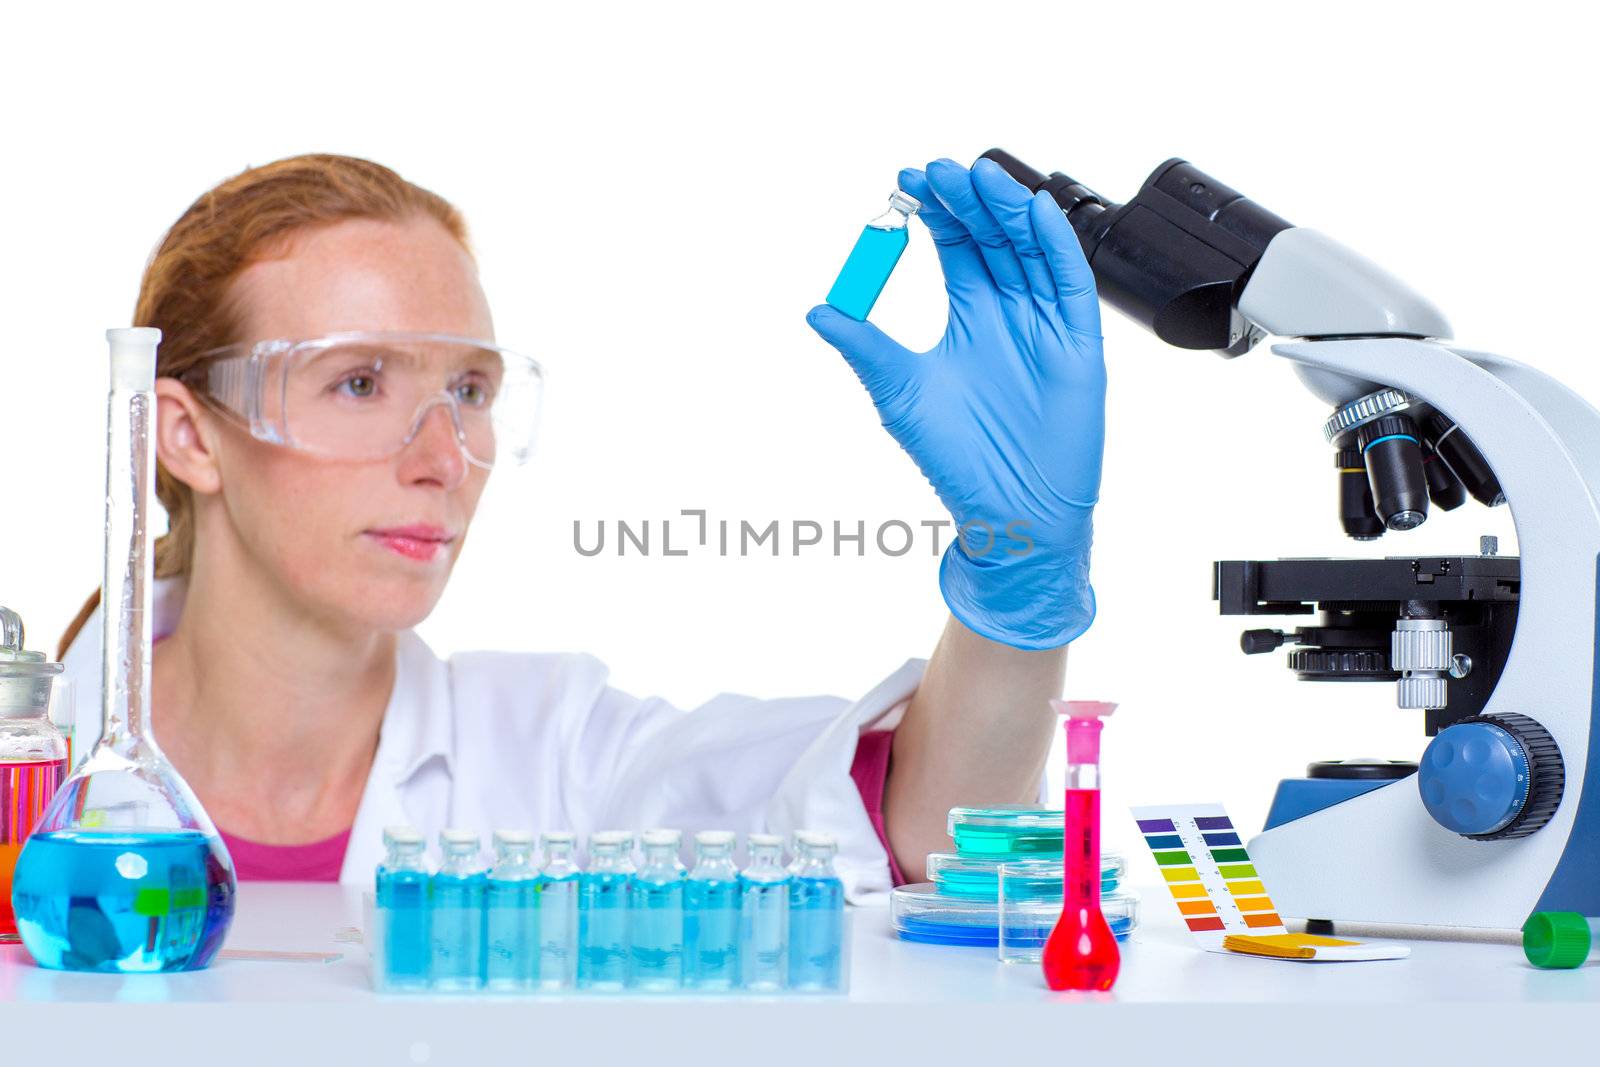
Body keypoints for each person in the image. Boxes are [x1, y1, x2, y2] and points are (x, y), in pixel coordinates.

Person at [57, 153, 1106, 901]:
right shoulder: (38, 759)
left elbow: (930, 829)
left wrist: (1014, 586)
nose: (442, 455)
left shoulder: (556, 750)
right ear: (187, 435)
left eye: (470, 387)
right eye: (360, 380)